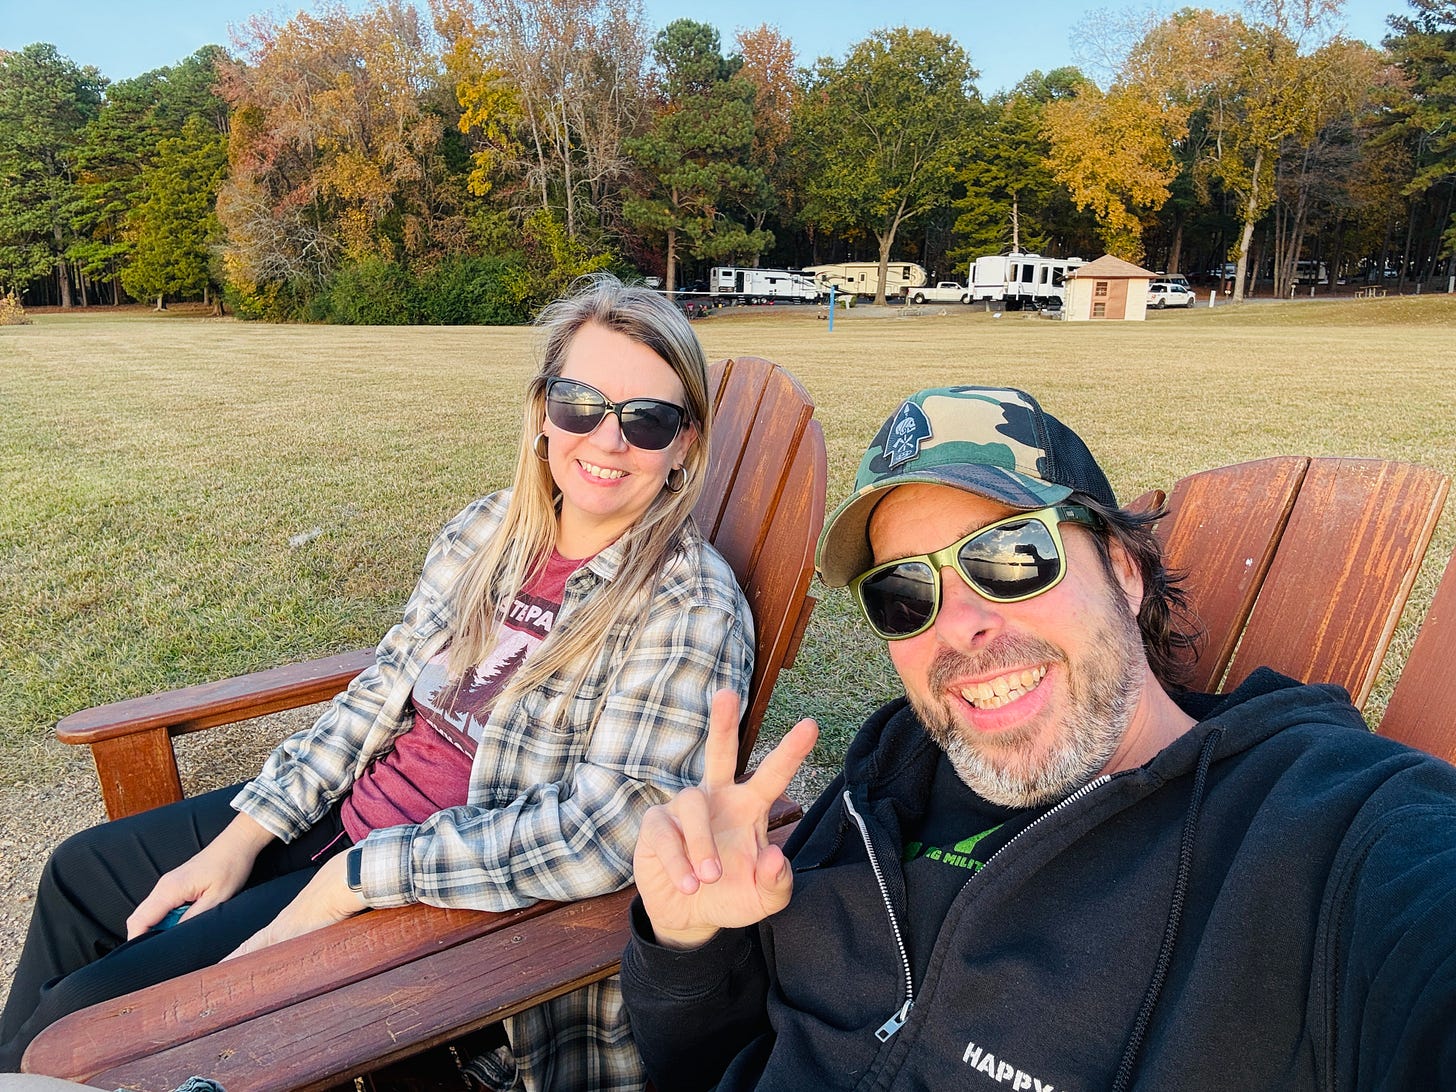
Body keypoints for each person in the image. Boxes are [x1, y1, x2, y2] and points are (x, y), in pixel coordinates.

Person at [2, 274, 755, 1091]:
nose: (608, 442)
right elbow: (379, 692)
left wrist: (352, 880)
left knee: (77, 1024)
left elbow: (610, 829)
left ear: (684, 443)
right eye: (581, 404)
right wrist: (243, 837)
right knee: (79, 874)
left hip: (432, 894)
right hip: (343, 815)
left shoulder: (688, 603)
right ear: (542, 412)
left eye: (647, 420)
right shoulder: (486, 531)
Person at [622, 385, 1456, 1090]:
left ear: (1125, 572)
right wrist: (689, 945)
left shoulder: (1330, 832)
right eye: (905, 593)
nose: (960, 629)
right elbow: (711, 1063)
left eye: (1014, 556)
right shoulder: (887, 776)